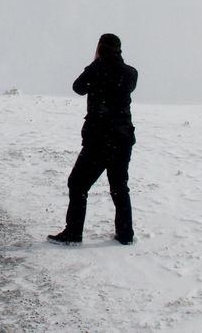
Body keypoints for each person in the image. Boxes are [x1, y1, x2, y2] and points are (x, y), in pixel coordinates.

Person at [48, 33, 138, 245]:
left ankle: (74, 233)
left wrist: (95, 64)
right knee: (119, 186)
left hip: (99, 139)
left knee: (77, 184)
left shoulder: (96, 70)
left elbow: (77, 87)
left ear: (100, 48)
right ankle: (125, 235)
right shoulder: (131, 73)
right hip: (123, 138)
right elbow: (122, 86)